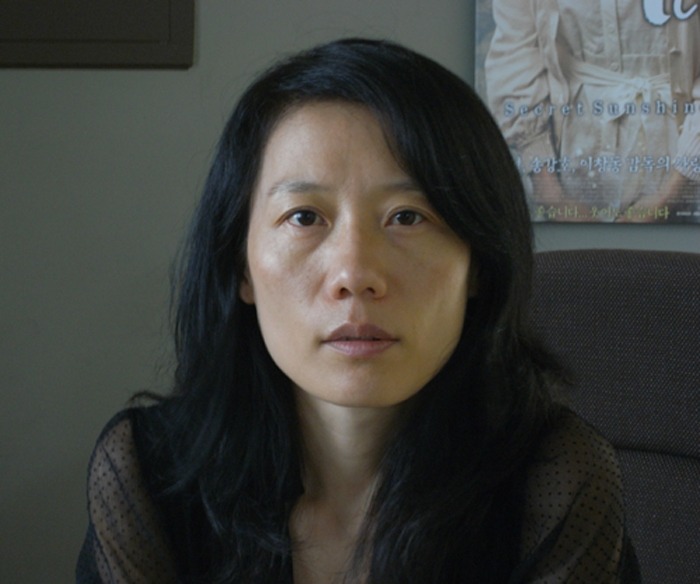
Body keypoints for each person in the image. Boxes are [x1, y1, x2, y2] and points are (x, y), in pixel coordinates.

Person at [76, 38, 640, 583]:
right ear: (241, 266)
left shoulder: (556, 482)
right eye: (304, 217)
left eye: (408, 217)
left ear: (479, 265)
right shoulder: (147, 475)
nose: (354, 274)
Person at [485, 0, 700, 222]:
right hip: (567, 151)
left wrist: (674, 190)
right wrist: (551, 193)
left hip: (683, 152)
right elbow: (515, 52)